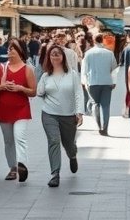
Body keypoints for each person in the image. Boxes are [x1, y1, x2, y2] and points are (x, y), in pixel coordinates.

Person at [0, 38, 36, 182]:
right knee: (8, 141)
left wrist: (20, 88)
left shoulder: (27, 69)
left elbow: (33, 91)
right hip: (4, 109)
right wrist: (2, 86)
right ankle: (12, 168)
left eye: (13, 48)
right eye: (9, 48)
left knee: (19, 136)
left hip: (21, 109)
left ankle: (21, 164)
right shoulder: (1, 68)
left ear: (20, 51)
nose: (9, 51)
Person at [36, 45, 83, 187]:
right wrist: (42, 84)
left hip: (68, 115)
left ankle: (72, 155)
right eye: (52, 54)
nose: (55, 56)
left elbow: (78, 94)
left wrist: (79, 112)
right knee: (54, 140)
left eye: (58, 54)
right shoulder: (45, 75)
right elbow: (39, 92)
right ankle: (55, 174)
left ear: (63, 57)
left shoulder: (72, 74)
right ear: (48, 57)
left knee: (69, 144)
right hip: (49, 114)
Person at [81, 33, 117, 135]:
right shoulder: (109, 53)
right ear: (103, 40)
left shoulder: (88, 53)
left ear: (93, 40)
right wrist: (114, 82)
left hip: (92, 82)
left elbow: (84, 69)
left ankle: (98, 125)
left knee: (95, 104)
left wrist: (84, 82)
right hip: (106, 82)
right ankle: (104, 128)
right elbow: (114, 69)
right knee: (105, 106)